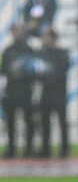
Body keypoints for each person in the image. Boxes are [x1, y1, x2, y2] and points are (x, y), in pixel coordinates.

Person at [1, 24, 36, 158]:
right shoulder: (8, 51)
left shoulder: (28, 50)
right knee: (10, 122)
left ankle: (29, 149)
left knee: (29, 121)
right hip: (11, 91)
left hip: (26, 91)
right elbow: (3, 73)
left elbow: (33, 70)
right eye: (14, 31)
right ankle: (11, 148)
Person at [36, 26, 71, 158]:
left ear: (53, 38)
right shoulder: (42, 53)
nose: (44, 40)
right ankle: (46, 149)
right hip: (46, 93)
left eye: (46, 36)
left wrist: (51, 76)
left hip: (59, 93)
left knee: (62, 122)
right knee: (45, 122)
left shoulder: (62, 53)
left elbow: (63, 71)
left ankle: (64, 150)